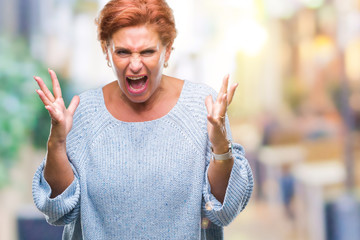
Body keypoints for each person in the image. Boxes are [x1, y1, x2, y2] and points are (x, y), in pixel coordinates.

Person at [32, 0, 253, 239]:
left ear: (167, 51)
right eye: (122, 52)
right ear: (107, 52)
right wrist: (57, 144)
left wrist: (220, 147)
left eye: (147, 51)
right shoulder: (83, 112)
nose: (135, 65)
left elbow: (223, 211)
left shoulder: (204, 107)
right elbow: (59, 212)